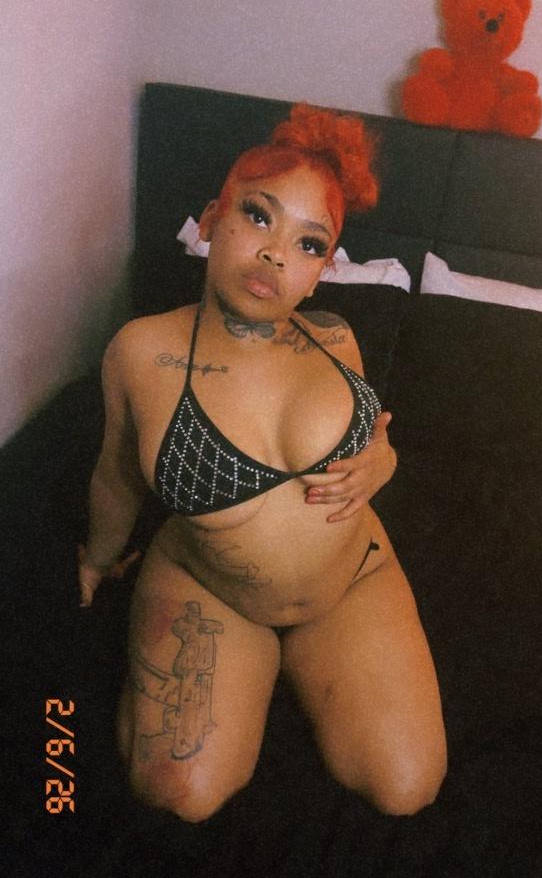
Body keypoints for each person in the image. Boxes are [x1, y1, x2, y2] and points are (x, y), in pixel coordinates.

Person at [79, 103, 446, 822]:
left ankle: (291, 667)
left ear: (321, 273)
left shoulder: (337, 339)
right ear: (212, 219)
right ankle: (246, 670)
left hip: (351, 579)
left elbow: (374, 441)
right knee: (179, 795)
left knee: (407, 788)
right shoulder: (140, 353)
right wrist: (96, 559)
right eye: (258, 216)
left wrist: (386, 460)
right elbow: (117, 475)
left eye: (309, 243)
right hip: (214, 589)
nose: (278, 253)